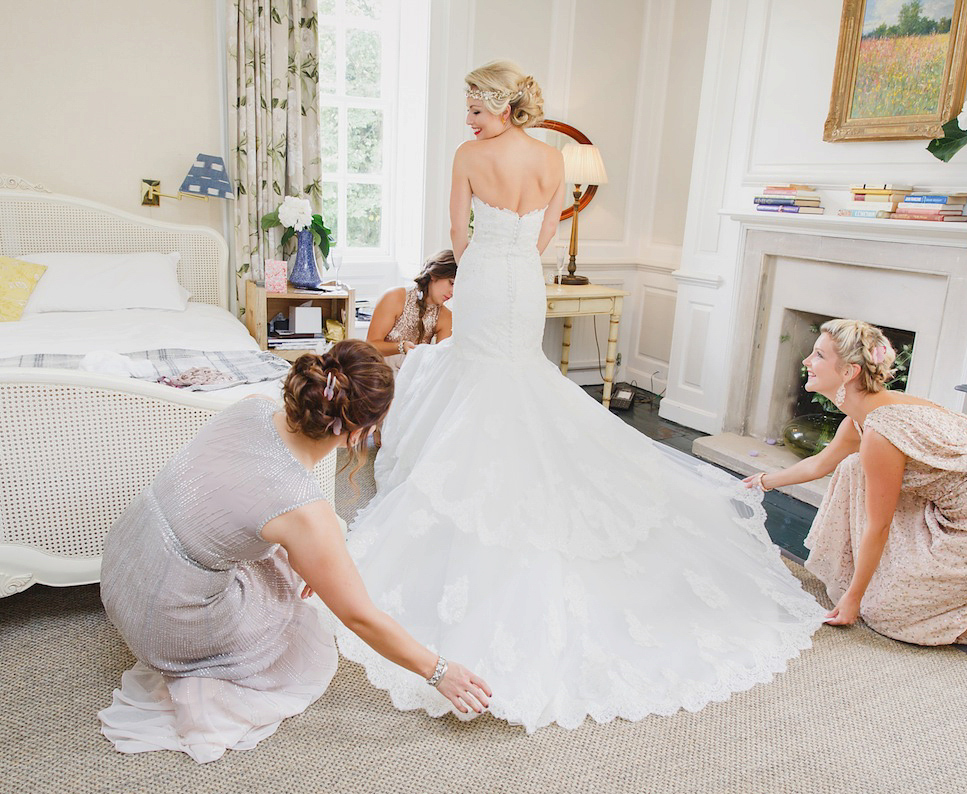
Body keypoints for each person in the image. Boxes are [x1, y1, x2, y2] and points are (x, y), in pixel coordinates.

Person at [326, 60, 826, 734]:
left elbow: (458, 236)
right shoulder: (553, 158)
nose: (467, 119)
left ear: (500, 107)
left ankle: (485, 485)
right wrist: (511, 262)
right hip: (524, 282)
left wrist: (476, 270)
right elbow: (544, 235)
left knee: (485, 381)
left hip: (484, 278)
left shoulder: (470, 155)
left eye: (475, 106)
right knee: (518, 378)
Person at [97, 340, 490, 763]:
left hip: (120, 566)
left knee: (286, 564)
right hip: (165, 620)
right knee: (301, 631)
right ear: (359, 433)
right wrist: (438, 671)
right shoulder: (304, 511)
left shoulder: (249, 407)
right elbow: (359, 616)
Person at [742, 318, 967, 667]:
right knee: (851, 467)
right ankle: (891, 585)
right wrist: (764, 480)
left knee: (886, 613)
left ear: (849, 372)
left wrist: (855, 600)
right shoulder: (863, 418)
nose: (806, 361)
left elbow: (879, 525)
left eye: (818, 355)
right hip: (960, 514)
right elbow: (819, 465)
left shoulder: (881, 431)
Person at [366, 250, 456, 372]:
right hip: (380, 374)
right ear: (435, 274)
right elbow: (370, 345)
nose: (453, 292)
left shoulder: (446, 316)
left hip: (414, 378)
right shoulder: (394, 297)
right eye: (451, 283)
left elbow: (439, 362)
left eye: (457, 287)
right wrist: (401, 347)